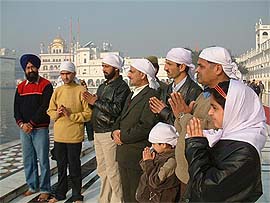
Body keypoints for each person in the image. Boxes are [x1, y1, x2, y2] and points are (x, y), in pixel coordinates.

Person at [168, 46, 240, 197]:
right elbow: (185, 127)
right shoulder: (206, 94)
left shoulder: (226, 97)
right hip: (187, 170)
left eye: (201, 66)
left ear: (218, 69)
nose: (196, 70)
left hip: (201, 173)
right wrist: (182, 116)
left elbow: (211, 129)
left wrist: (183, 116)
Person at [184, 79, 267, 202]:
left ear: (234, 110)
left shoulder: (244, 153)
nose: (210, 113)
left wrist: (195, 147)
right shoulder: (227, 136)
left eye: (215, 108)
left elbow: (204, 189)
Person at [82, 54, 130, 203]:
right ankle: (104, 199)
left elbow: (117, 109)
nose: (104, 69)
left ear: (116, 69)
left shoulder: (122, 87)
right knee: (102, 171)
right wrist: (89, 98)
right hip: (98, 131)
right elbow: (98, 106)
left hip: (109, 132)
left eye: (107, 66)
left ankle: (118, 200)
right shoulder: (103, 86)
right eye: (103, 66)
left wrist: (95, 101)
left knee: (113, 171)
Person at [112, 59, 159, 203]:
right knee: (127, 194)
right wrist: (114, 131)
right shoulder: (133, 93)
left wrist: (124, 137)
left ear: (143, 75)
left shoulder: (151, 95)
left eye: (132, 71)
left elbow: (146, 125)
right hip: (124, 154)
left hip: (136, 153)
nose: (129, 75)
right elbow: (121, 117)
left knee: (136, 194)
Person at [47, 61, 92, 203]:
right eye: (63, 74)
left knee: (74, 167)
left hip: (74, 136)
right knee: (61, 167)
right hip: (59, 136)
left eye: (68, 73)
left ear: (74, 74)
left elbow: (88, 113)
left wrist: (71, 115)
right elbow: (50, 110)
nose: (65, 77)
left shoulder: (81, 91)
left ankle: (77, 195)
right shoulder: (58, 91)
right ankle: (60, 194)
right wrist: (58, 113)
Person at [14, 54, 53, 201]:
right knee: (28, 159)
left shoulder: (46, 85)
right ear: (25, 70)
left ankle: (45, 189)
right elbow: (16, 108)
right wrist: (22, 124)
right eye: (28, 67)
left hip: (40, 128)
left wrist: (31, 123)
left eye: (33, 67)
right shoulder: (20, 87)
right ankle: (32, 186)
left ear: (37, 68)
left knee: (43, 160)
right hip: (25, 130)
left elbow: (45, 107)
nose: (30, 70)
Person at [149, 48, 202, 125]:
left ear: (182, 67)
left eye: (169, 64)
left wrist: (164, 111)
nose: (165, 68)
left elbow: (186, 123)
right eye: (165, 63)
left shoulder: (194, 91)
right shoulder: (166, 89)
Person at [136, 122, 180, 203]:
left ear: (163, 144)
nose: (152, 146)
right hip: (147, 198)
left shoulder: (171, 161)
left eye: (154, 144)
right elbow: (144, 169)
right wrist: (147, 160)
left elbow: (155, 182)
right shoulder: (159, 154)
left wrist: (149, 162)